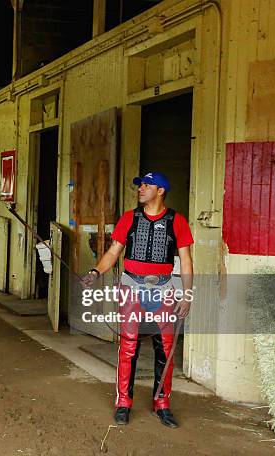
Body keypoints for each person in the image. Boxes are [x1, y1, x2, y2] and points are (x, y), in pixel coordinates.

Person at [81, 172, 193, 429]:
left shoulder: (177, 221)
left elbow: (186, 260)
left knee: (165, 349)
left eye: (146, 185)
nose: (140, 189)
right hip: (132, 288)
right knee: (128, 347)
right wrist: (95, 272)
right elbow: (113, 251)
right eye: (140, 185)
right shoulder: (130, 218)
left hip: (163, 290)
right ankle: (123, 403)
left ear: (161, 190)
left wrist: (186, 294)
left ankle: (162, 403)